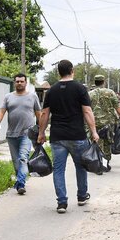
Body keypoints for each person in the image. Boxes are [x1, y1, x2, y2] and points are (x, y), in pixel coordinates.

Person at [37, 60, 99, 213]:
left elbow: (45, 114)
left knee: (59, 169)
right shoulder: (80, 89)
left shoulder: (51, 91)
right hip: (77, 135)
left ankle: (62, 203)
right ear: (72, 70)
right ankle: (82, 196)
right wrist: (94, 131)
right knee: (80, 167)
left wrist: (41, 133)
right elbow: (87, 112)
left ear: (58, 72)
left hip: (58, 137)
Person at [0, 73, 42, 195]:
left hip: (27, 133)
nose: (20, 83)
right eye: (17, 81)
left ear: (26, 83)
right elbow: (1, 111)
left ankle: (20, 184)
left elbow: (38, 114)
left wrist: (41, 131)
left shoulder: (33, 97)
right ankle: (20, 178)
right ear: (14, 82)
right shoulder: (8, 97)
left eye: (22, 81)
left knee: (22, 158)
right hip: (11, 135)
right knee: (16, 162)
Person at [89, 75, 120, 172]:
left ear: (95, 82)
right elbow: (118, 108)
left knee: (96, 142)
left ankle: (98, 163)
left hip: (94, 123)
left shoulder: (89, 94)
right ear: (103, 82)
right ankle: (106, 163)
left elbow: (86, 109)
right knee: (108, 142)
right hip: (109, 123)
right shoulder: (110, 93)